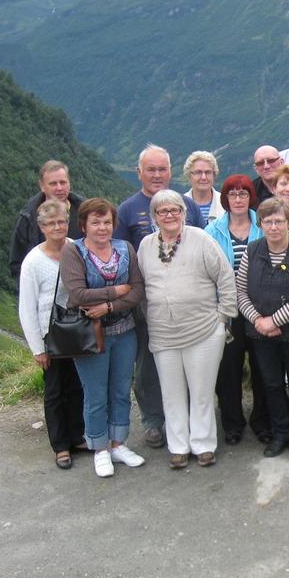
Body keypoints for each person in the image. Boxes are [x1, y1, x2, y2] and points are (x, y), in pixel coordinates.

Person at [138, 190, 237, 469]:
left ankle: (203, 444)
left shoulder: (201, 239)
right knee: (171, 393)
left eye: (175, 210)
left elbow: (225, 277)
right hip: (163, 332)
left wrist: (223, 318)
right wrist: (150, 316)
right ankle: (178, 446)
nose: (169, 215)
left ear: (183, 212)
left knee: (201, 392)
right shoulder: (146, 246)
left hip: (203, 329)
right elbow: (141, 286)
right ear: (154, 217)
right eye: (163, 211)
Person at [114, 144, 204, 449]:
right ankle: (153, 420)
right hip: (148, 302)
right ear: (139, 172)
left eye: (162, 169)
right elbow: (121, 256)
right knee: (149, 363)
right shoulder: (128, 209)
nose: (157, 175)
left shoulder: (187, 205)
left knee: (189, 359)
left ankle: (188, 417)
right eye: (150, 169)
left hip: (189, 300)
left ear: (171, 171)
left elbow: (203, 246)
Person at [60, 198, 146, 478]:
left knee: (121, 391)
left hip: (125, 332)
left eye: (107, 222)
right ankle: (99, 449)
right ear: (83, 225)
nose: (102, 227)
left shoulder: (125, 248)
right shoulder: (73, 251)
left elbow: (137, 290)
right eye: (95, 222)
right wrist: (116, 291)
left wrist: (108, 306)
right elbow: (77, 294)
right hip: (90, 336)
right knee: (96, 394)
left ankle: (118, 444)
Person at [237, 198, 289, 458]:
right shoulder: (252, 251)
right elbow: (240, 292)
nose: (273, 227)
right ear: (260, 224)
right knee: (271, 384)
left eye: (279, 221)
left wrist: (274, 321)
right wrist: (257, 321)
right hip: (261, 335)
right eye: (268, 221)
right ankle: (280, 432)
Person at [18, 199, 85, 469]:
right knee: (55, 390)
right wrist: (38, 347)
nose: (57, 227)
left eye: (62, 221)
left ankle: (78, 436)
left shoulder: (76, 249)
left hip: (77, 331)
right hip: (50, 335)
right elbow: (27, 307)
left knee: (77, 386)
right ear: (42, 227)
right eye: (51, 223)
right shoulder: (33, 261)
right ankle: (60, 445)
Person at [205, 174, 271, 445]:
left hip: (260, 309)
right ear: (225, 199)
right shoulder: (212, 231)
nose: (238, 199)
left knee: (262, 366)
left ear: (250, 197)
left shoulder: (263, 225)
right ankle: (232, 424)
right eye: (232, 194)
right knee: (228, 370)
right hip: (227, 310)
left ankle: (262, 420)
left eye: (243, 193)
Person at [10, 160, 84, 281]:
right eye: (53, 184)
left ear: (69, 184)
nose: (59, 188)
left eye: (63, 182)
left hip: (80, 285)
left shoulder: (85, 213)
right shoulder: (28, 217)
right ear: (42, 186)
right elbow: (17, 262)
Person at [183, 150, 224, 226]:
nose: (203, 177)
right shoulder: (179, 204)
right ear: (189, 176)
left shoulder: (226, 203)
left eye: (208, 172)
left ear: (214, 175)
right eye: (198, 172)